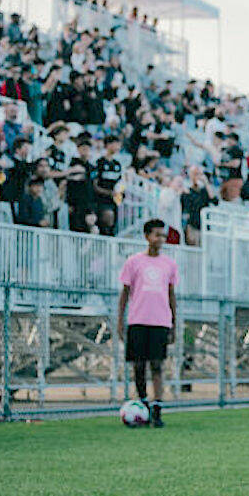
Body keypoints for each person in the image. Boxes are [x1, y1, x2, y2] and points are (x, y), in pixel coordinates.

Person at [116, 219, 178, 428]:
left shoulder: (169, 264)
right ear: (146, 236)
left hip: (160, 321)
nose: (160, 239)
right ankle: (142, 405)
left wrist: (174, 323)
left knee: (158, 365)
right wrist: (120, 321)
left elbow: (171, 295)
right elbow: (125, 293)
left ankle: (157, 409)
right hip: (138, 320)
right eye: (157, 235)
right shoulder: (134, 262)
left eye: (163, 235)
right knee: (139, 366)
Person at [93, 136, 124, 236]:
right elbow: (95, 185)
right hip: (101, 200)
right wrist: (108, 193)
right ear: (108, 145)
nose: (118, 147)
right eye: (115, 144)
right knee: (106, 220)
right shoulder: (99, 162)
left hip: (114, 200)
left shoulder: (117, 164)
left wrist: (119, 193)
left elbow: (120, 183)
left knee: (113, 224)